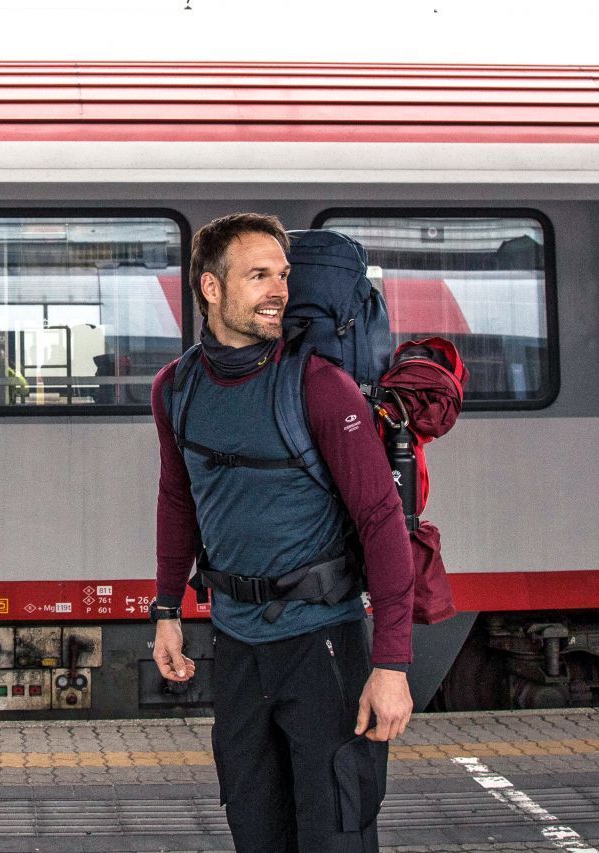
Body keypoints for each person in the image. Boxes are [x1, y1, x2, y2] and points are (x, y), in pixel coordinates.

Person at [149, 213, 414, 852]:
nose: (278, 291)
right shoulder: (176, 388)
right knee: (256, 830)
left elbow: (383, 522)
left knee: (335, 834)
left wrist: (392, 664)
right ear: (211, 288)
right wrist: (165, 610)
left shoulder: (321, 387)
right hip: (237, 646)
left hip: (322, 644)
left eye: (284, 275)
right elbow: (177, 499)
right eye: (258, 275)